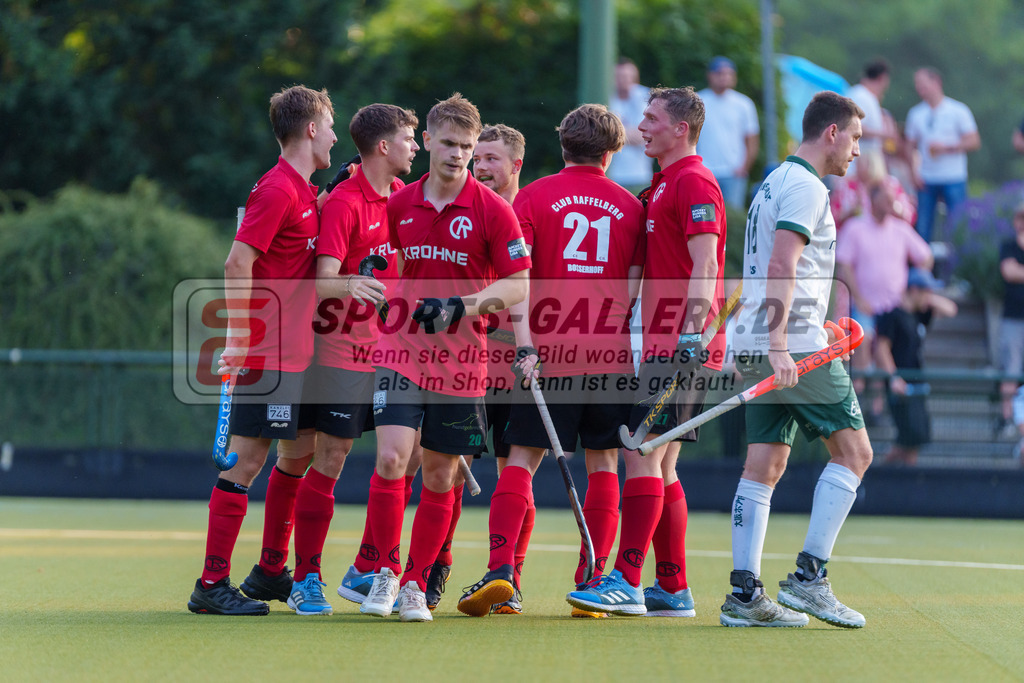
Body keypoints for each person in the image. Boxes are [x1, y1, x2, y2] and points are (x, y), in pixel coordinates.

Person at [457, 103, 644, 619]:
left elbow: (518, 281)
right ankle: (593, 580)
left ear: (563, 145)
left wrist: (527, 345)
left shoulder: (535, 196)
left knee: (521, 460)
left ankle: (501, 571)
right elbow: (633, 290)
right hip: (608, 356)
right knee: (604, 465)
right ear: (611, 152)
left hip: (549, 353)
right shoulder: (632, 208)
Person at [357, 93, 530, 623]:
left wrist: (461, 306)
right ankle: (385, 573)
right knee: (391, 459)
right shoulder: (400, 204)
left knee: (438, 476)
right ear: (428, 141)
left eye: (467, 147)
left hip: (462, 363)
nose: (458, 155)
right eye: (450, 143)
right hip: (401, 351)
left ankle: (415, 582)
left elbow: (519, 285)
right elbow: (392, 259)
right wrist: (377, 274)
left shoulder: (494, 210)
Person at [565, 87, 727, 618]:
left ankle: (628, 580)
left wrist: (691, 335)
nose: (642, 126)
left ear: (681, 129)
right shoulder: (663, 184)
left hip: (681, 343)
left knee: (639, 451)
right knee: (664, 463)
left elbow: (707, 264)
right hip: (665, 340)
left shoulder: (694, 181)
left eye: (652, 118)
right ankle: (672, 587)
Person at [187, 85, 337, 616]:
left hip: (292, 352)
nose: (335, 137)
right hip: (267, 352)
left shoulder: (300, 190)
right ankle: (211, 584)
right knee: (246, 461)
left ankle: (270, 571)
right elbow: (237, 262)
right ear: (312, 129)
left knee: (294, 453)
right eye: (331, 126)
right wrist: (238, 338)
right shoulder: (278, 189)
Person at [724, 91, 870, 628]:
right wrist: (782, 343)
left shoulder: (773, 180)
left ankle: (744, 596)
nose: (857, 150)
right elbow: (782, 265)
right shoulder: (808, 187)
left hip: (768, 339)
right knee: (855, 453)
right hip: (791, 346)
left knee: (763, 465)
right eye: (855, 137)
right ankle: (810, 579)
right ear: (832, 132)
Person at [294, 103, 420, 615]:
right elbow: (321, 279)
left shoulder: (407, 198)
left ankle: (369, 565)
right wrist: (352, 285)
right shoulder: (345, 202)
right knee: (331, 458)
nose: (416, 147)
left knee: (408, 456)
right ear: (384, 147)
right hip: (344, 352)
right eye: (409, 139)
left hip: (396, 355)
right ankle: (305, 577)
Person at [421, 123, 529, 614]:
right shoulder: (455, 207)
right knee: (446, 468)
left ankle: (509, 579)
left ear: (515, 165)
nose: (480, 166)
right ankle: (434, 566)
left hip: (514, 363)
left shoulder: (523, 212)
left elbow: (529, 289)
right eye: (476, 157)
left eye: (490, 159)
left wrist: (528, 347)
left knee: (515, 469)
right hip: (461, 358)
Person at [836, 181, 933, 421]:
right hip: (866, 306)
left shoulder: (901, 229)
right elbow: (844, 265)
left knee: (884, 346)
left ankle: (878, 407)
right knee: (863, 341)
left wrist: (913, 286)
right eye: (887, 199)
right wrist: (858, 298)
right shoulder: (856, 228)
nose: (892, 204)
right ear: (873, 199)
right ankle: (857, 399)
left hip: (893, 309)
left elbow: (925, 256)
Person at [875, 268, 958, 466]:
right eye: (926, 291)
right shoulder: (892, 315)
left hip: (917, 383)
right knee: (908, 438)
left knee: (915, 439)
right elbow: (881, 349)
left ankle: (901, 476)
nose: (929, 296)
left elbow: (951, 310)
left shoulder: (918, 315)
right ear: (913, 289)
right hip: (901, 385)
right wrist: (894, 377)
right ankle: (876, 472)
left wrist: (928, 296)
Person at [904, 67, 980, 243]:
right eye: (918, 85)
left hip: (953, 176)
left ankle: (958, 259)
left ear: (936, 82)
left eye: (923, 84)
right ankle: (924, 259)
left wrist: (947, 147)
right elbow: (909, 146)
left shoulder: (958, 110)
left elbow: (974, 141)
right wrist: (913, 172)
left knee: (957, 225)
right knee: (923, 226)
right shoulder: (916, 114)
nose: (920, 89)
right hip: (926, 178)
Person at [697, 56, 760, 209]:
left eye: (729, 74)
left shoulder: (744, 104)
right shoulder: (698, 101)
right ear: (710, 75)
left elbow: (752, 139)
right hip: (704, 172)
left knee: (732, 215)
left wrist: (744, 168)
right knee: (706, 216)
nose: (724, 77)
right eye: (720, 73)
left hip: (734, 173)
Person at [997, 203, 1024, 439]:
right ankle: (1007, 419)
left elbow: (1016, 272)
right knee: (1011, 371)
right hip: (1013, 320)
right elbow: (1009, 272)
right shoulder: (1008, 246)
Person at [607, 57, 654, 193]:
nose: (624, 80)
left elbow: (646, 135)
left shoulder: (645, 97)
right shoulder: (606, 97)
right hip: (612, 175)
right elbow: (603, 135)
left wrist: (615, 133)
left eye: (628, 76)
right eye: (619, 76)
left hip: (641, 175)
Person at [845, 59, 891, 176]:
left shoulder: (867, 96)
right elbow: (855, 128)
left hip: (863, 165)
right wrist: (884, 134)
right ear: (882, 78)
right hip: (855, 166)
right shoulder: (861, 96)